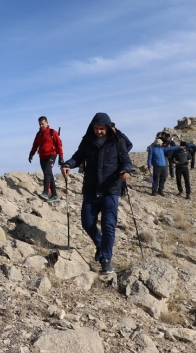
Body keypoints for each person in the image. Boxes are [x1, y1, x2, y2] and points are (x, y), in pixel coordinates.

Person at [60, 112, 132, 274]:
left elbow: (127, 161)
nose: (99, 131)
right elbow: (78, 157)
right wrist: (68, 164)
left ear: (108, 127)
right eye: (96, 128)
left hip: (110, 190)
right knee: (87, 223)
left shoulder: (118, 141)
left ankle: (106, 259)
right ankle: (100, 245)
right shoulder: (88, 140)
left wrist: (126, 170)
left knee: (108, 226)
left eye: (102, 128)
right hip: (91, 190)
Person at [29, 116, 64, 202]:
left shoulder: (53, 132)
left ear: (47, 123)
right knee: (48, 174)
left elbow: (59, 145)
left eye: (42, 124)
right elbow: (35, 145)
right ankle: (54, 195)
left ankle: (45, 192)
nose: (41, 126)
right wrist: (31, 154)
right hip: (42, 156)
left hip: (51, 155)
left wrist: (61, 157)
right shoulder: (38, 134)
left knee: (47, 172)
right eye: (40, 124)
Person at [112, 122, 132, 197]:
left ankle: (121, 192)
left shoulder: (121, 135)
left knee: (122, 173)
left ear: (114, 127)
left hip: (121, 158)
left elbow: (130, 144)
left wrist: (123, 152)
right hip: (113, 158)